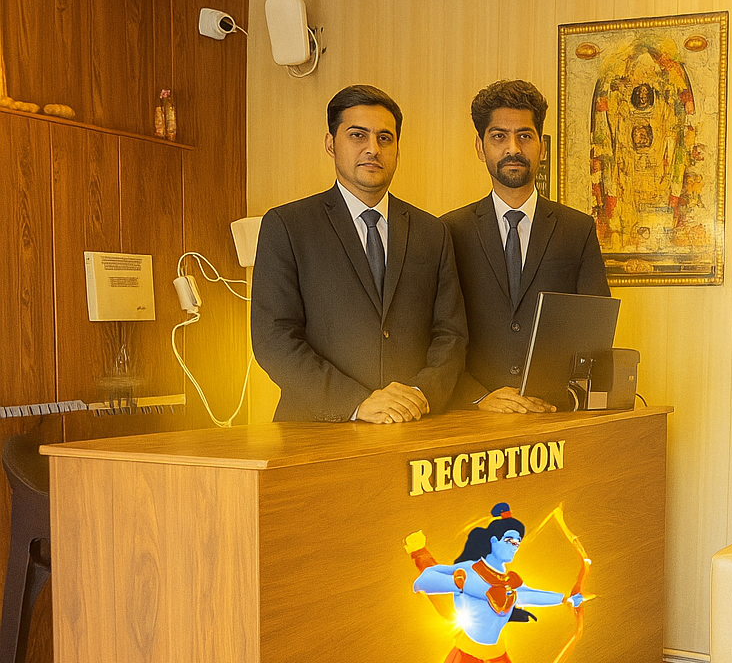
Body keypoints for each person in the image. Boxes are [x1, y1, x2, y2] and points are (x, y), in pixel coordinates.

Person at [252, 85, 467, 422]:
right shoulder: (288, 226)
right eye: (357, 135)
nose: (373, 149)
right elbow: (273, 338)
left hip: (412, 425)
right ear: (331, 144)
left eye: (385, 138)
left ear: (397, 149)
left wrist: (418, 395)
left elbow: (451, 334)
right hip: (317, 429)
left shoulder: (432, 232)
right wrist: (357, 403)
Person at [443, 80, 608, 413]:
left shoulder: (577, 229)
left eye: (525, 136)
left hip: (554, 411)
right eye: (498, 136)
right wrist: (478, 398)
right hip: (475, 417)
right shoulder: (449, 231)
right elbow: (437, 333)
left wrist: (566, 396)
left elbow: (595, 332)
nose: (513, 148)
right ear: (480, 147)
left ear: (541, 147)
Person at [409, 504, 583, 663]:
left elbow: (528, 594)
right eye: (510, 540)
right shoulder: (470, 572)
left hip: (496, 656)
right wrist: (469, 587)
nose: (515, 546)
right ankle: (418, 550)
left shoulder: (508, 580)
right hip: (469, 656)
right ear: (493, 540)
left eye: (518, 542)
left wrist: (565, 599)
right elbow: (424, 581)